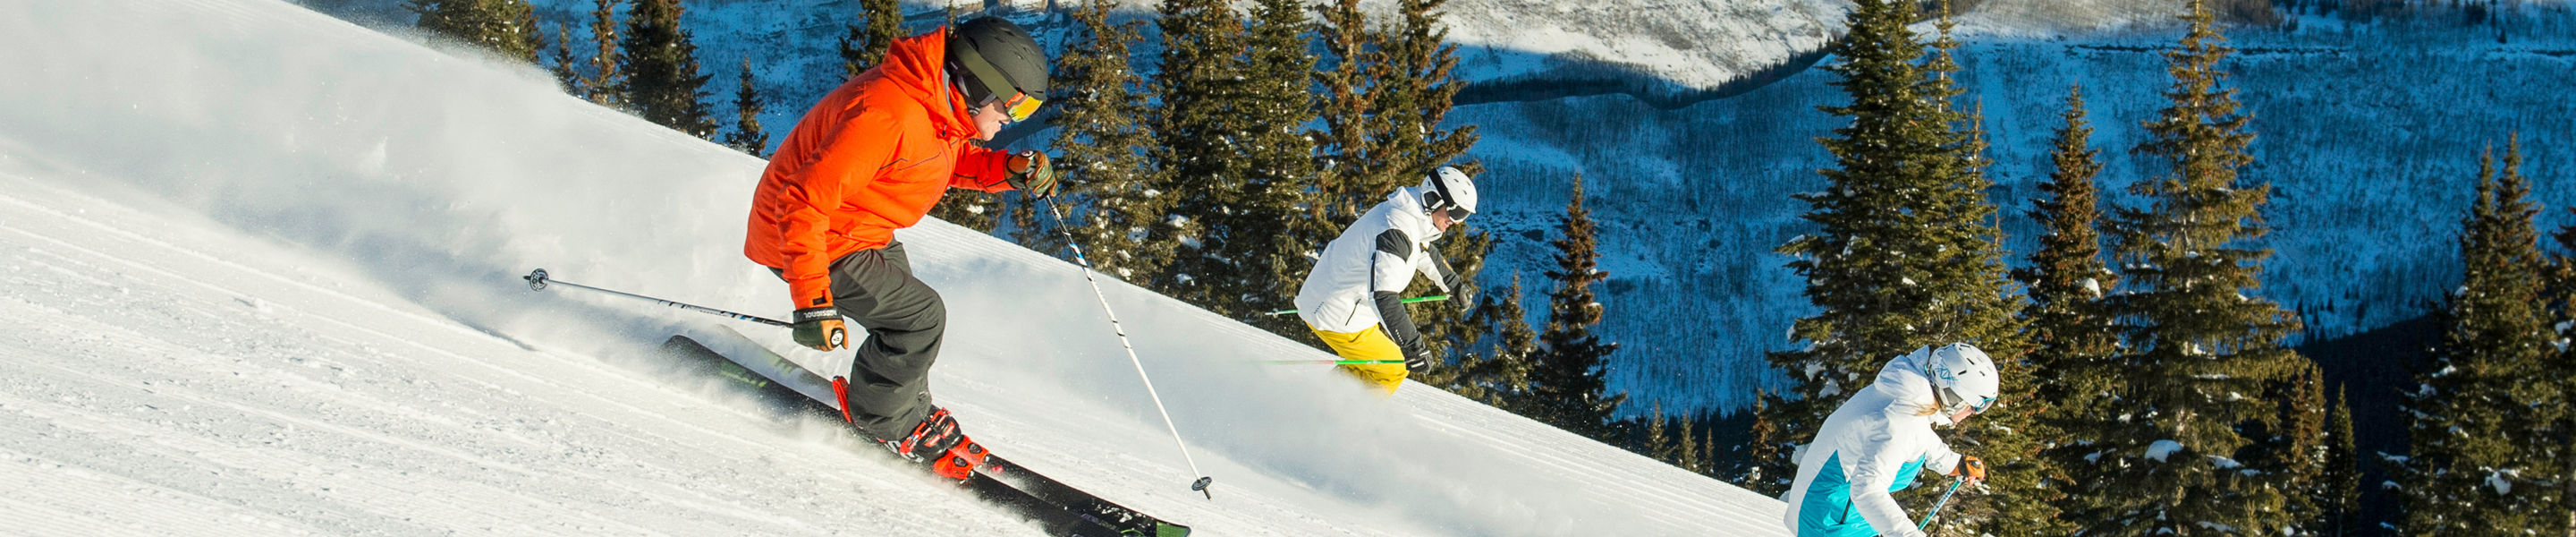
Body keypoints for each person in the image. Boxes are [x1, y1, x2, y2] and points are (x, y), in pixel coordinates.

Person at [741, 16, 1057, 481]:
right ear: (978, 87)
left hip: (857, 231)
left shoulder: (933, 103)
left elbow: (934, 158)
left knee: (910, 313)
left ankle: (909, 407)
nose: (999, 129)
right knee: (919, 317)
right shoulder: (886, 114)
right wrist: (811, 302)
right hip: (807, 237)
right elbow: (804, 201)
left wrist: (1003, 169)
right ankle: (885, 421)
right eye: (1005, 115)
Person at [1292, 166, 1479, 395]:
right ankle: (1334, 421)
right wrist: (1413, 347)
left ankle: (1321, 402)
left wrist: (1453, 284)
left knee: (1371, 364)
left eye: (1464, 215)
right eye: (1456, 213)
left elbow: (1421, 249)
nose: (1457, 222)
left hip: (1335, 300)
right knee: (1393, 368)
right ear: (1434, 199)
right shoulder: (1396, 232)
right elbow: (1383, 296)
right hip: (1335, 313)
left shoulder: (1408, 215)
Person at [1780, 343, 1998, 537]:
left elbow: (1919, 438)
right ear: (1954, 397)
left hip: (1836, 510)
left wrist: (1954, 463)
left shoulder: (1909, 394)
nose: (1973, 413)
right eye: (1975, 406)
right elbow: (1867, 490)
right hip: (1830, 521)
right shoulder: (1901, 419)